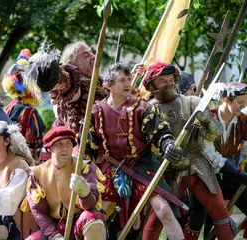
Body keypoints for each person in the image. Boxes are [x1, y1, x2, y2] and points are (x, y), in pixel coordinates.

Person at [84, 63, 184, 239]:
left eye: (129, 79)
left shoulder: (142, 107)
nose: (128, 83)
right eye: (122, 80)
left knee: (164, 210)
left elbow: (159, 132)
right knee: (99, 215)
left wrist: (168, 144)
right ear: (109, 85)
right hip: (109, 169)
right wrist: (83, 166)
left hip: (142, 166)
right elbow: (88, 149)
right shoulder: (95, 111)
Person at [141, 62, 234, 239]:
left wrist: (207, 120)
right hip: (167, 169)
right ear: (152, 85)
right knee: (156, 219)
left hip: (197, 164)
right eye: (163, 81)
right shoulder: (148, 109)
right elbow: (146, 143)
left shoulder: (193, 102)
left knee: (220, 213)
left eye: (170, 79)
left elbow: (214, 136)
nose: (168, 84)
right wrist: (163, 153)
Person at [186, 82, 247, 239]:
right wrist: (239, 173)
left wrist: (242, 171)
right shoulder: (208, 118)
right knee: (197, 219)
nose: (243, 106)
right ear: (226, 100)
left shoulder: (243, 120)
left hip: (227, 176)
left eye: (246, 102)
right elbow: (209, 154)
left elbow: (245, 148)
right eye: (240, 102)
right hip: (203, 176)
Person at [24, 126, 106, 240]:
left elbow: (91, 205)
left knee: (92, 218)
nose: (65, 148)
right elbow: (39, 212)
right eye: (59, 144)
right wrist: (55, 236)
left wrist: (84, 192)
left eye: (68, 143)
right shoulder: (37, 174)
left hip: (81, 224)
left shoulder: (84, 167)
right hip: (55, 228)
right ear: (50, 148)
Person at [31, 41, 109, 133]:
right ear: (72, 62)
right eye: (86, 55)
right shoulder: (73, 81)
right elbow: (64, 81)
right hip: (85, 142)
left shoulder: (99, 81)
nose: (93, 56)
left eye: (91, 52)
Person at [2, 49, 46, 160]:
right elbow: (36, 140)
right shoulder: (30, 112)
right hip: (26, 159)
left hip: (8, 156)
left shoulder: (7, 108)